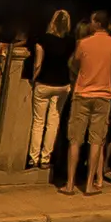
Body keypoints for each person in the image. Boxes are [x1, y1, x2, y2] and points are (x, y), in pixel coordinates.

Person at [62, 12, 111, 194]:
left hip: (82, 93)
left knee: (75, 141)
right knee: (96, 141)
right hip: (104, 95)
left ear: (96, 23)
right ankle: (89, 184)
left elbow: (75, 64)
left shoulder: (83, 43)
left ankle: (70, 184)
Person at [27, 11, 74, 172]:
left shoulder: (44, 40)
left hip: (44, 82)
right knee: (53, 121)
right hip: (63, 84)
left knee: (38, 122)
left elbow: (38, 63)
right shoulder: (70, 42)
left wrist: (33, 79)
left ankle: (33, 158)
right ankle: (46, 158)